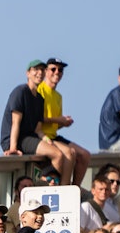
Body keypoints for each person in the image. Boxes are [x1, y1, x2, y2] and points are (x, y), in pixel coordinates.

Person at [3, 60, 76, 183]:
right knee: (57, 154)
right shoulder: (20, 92)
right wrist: (13, 148)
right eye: (36, 70)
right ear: (28, 73)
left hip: (31, 137)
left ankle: (59, 189)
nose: (39, 73)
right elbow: (15, 122)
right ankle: (47, 189)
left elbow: (38, 129)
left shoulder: (39, 99)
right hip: (16, 138)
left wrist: (47, 140)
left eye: (42, 70)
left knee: (63, 153)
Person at [35, 57, 89, 185]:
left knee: (85, 155)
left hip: (53, 135)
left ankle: (75, 188)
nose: (57, 72)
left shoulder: (58, 96)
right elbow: (36, 119)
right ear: (46, 71)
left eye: (60, 70)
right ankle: (63, 190)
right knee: (70, 153)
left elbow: (54, 125)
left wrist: (63, 123)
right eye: (53, 69)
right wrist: (59, 120)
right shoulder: (39, 90)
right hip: (42, 136)